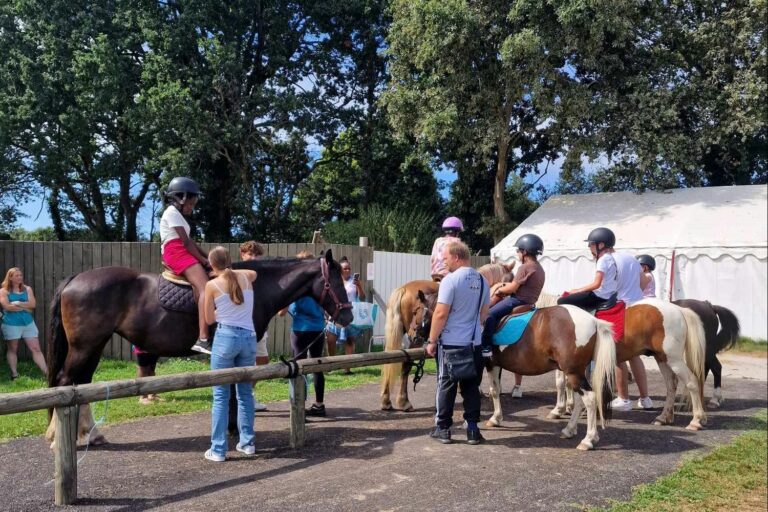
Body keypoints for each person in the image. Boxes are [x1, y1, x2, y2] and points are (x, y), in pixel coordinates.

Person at [425, 239, 490, 445]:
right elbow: (483, 315)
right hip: (474, 343)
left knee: (446, 384)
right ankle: (472, 430)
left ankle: (443, 428)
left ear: (456, 257)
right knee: (471, 385)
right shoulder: (482, 281)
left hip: (451, 342)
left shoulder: (450, 280)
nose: (444, 263)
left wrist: (431, 340)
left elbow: (441, 313)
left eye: (445, 259)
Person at [203, 246, 258, 462]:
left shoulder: (211, 285)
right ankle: (247, 443)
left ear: (211, 264)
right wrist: (232, 272)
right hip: (249, 338)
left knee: (220, 395)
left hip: (226, 338)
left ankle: (218, 450)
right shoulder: (246, 279)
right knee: (245, 394)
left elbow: (208, 319)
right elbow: (253, 273)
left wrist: (221, 310)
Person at [159, 177, 211, 354]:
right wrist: (204, 261)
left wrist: (208, 256)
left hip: (181, 249)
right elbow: (186, 243)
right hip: (176, 252)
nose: (192, 207)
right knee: (205, 288)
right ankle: (203, 339)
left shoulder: (177, 216)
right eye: (191, 202)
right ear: (181, 198)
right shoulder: (171, 212)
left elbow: (192, 243)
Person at [278, 251, 328, 417]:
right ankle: (319, 405)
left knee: (297, 368)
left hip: (300, 330)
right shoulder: (319, 281)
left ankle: (298, 407)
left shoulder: (296, 284)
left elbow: (281, 312)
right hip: (318, 329)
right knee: (317, 367)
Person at [481, 234, 545, 357]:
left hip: (517, 300)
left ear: (525, 252)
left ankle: (486, 346)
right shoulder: (539, 268)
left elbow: (513, 288)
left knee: (488, 314)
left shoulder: (524, 267)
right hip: (530, 302)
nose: (517, 253)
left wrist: (500, 290)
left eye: (518, 250)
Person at [611, 251, 653, 411]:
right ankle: (645, 398)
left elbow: (602, 287)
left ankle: (623, 398)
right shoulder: (631, 258)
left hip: (621, 308)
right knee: (634, 356)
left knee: (618, 355)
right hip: (637, 306)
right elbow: (643, 281)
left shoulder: (607, 260)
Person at [0, 267, 47, 379]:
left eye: (20, 275)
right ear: (10, 277)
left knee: (36, 348)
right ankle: (14, 374)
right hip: (11, 324)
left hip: (28, 323)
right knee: (13, 349)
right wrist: (26, 306)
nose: (20, 277)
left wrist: (18, 303)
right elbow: (7, 306)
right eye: (17, 275)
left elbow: (33, 305)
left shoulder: (27, 289)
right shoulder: (3, 291)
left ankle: (47, 372)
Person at [238, 240, 269, 411]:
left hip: (259, 326)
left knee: (263, 361)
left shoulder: (262, 277)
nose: (253, 257)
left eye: (256, 254)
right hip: (241, 327)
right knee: (243, 364)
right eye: (250, 254)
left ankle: (249, 394)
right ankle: (242, 400)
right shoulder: (235, 274)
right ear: (242, 255)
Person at [557, 227, 618, 310]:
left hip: (601, 296)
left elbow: (596, 284)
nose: (589, 247)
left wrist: (578, 290)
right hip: (610, 294)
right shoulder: (612, 257)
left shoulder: (603, 260)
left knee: (562, 301)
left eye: (591, 244)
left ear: (601, 245)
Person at [325, 256, 365, 374]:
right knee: (331, 339)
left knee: (349, 340)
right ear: (340, 270)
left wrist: (359, 285)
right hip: (335, 314)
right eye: (345, 269)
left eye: (349, 268)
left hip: (349, 314)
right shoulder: (334, 280)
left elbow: (362, 297)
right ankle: (331, 365)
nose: (347, 270)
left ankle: (347, 368)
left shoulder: (354, 281)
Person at [429, 217, 464, 282]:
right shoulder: (457, 241)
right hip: (449, 275)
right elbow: (459, 260)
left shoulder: (437, 241)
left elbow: (432, 258)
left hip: (435, 274)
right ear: (456, 231)